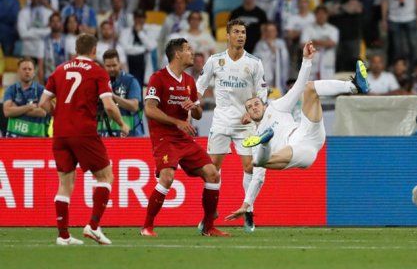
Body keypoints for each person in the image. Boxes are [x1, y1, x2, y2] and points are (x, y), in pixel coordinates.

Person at [225, 42, 369, 220]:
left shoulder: (277, 107)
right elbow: (258, 179)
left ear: (263, 104)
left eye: (256, 103)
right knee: (258, 164)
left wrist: (306, 60)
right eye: (250, 107)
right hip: (299, 150)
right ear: (247, 114)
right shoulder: (253, 138)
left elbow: (298, 86)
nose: (254, 107)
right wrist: (247, 205)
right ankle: (266, 142)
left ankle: (355, 86)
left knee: (309, 88)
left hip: (307, 132)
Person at [38, 34, 129, 245]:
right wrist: (122, 124)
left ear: (76, 49)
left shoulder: (59, 70)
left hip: (60, 133)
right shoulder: (98, 72)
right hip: (84, 131)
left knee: (65, 184)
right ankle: (94, 227)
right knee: (105, 177)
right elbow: (108, 105)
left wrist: (59, 114)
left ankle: (63, 236)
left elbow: (43, 102)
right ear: (94, 50)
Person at [141, 38, 228, 237]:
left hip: (183, 139)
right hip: (164, 137)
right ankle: (147, 227)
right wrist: (177, 121)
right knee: (167, 177)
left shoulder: (189, 81)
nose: (192, 52)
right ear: (178, 54)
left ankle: (208, 227)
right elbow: (149, 109)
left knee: (212, 173)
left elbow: (197, 114)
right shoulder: (158, 78)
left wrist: (194, 106)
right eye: (188, 49)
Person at [195, 20, 267, 232]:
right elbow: (199, 87)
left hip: (245, 124)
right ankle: (210, 214)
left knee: (249, 167)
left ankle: (249, 209)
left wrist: (251, 113)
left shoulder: (254, 63)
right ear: (227, 35)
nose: (240, 35)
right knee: (212, 169)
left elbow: (262, 93)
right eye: (236, 32)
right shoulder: (215, 61)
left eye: (243, 32)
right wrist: (193, 104)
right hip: (220, 122)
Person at [99, 49, 143, 137]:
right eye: (108, 66)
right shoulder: (100, 82)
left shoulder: (130, 81)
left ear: (119, 63)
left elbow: (134, 106)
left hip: (130, 132)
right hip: (106, 132)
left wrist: (113, 96)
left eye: (114, 65)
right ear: (104, 66)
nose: (111, 69)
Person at [3, 57, 48, 138]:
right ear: (18, 71)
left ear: (34, 72)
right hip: (13, 139)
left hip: (36, 140)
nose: (27, 71)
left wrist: (16, 108)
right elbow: (7, 112)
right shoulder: (11, 89)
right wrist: (30, 107)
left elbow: (43, 112)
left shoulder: (42, 90)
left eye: (30, 69)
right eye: (24, 69)